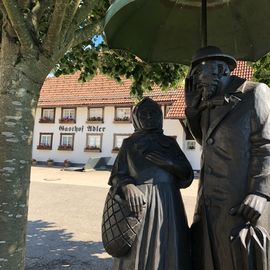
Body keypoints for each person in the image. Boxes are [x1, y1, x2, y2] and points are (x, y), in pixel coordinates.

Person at [185, 46, 270, 270]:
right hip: (209, 202)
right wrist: (192, 111)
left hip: (242, 200)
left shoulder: (254, 93)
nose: (195, 83)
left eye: (197, 75)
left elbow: (266, 144)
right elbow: (205, 140)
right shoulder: (206, 103)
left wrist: (259, 192)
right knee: (209, 259)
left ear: (221, 71)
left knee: (240, 260)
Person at [108, 97, 194, 270]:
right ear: (136, 118)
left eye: (153, 112)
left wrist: (169, 163)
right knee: (139, 245)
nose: (149, 116)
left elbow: (187, 176)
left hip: (168, 201)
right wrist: (127, 185)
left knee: (169, 242)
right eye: (144, 114)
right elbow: (117, 176)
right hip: (139, 203)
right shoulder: (129, 144)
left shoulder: (169, 143)